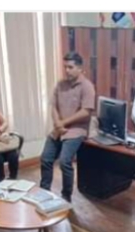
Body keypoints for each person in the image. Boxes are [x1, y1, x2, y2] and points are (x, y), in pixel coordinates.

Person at [40, 52, 96, 203]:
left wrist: (62, 123)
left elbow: (86, 112)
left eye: (70, 67)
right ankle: (44, 192)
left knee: (65, 161)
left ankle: (66, 196)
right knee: (46, 158)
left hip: (76, 129)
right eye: (65, 67)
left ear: (80, 68)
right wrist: (57, 123)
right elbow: (53, 106)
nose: (67, 70)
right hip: (59, 128)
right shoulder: (60, 84)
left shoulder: (87, 86)